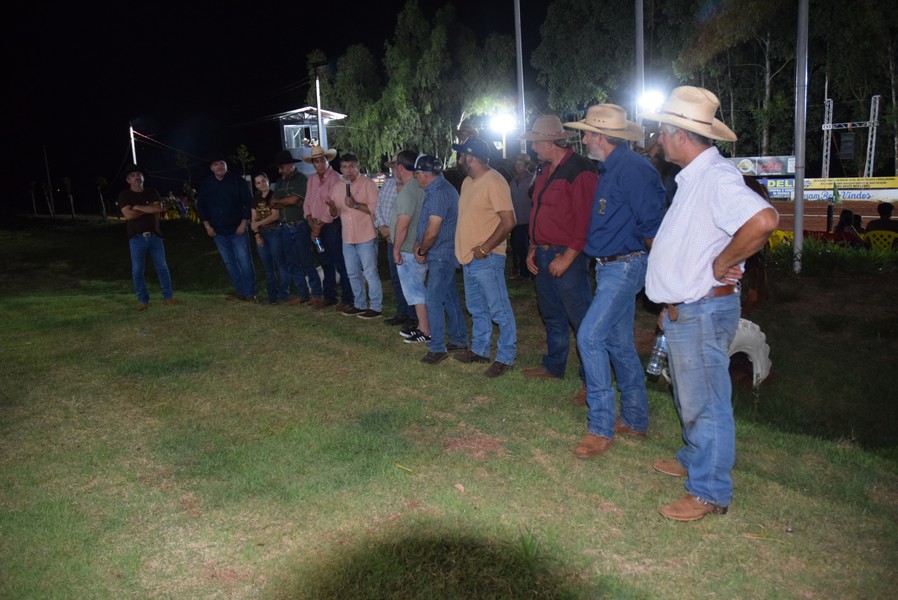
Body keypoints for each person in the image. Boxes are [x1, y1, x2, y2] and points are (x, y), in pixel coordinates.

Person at [639, 86, 778, 521]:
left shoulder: (716, 178)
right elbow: (691, 246)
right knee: (690, 393)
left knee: (706, 400)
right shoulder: (694, 178)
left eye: (663, 131)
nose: (659, 139)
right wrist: (672, 298)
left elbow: (763, 220)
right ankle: (695, 456)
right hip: (689, 307)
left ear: (681, 134)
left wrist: (724, 261)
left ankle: (709, 491)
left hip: (703, 308)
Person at [563, 104, 666, 459]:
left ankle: (600, 427)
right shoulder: (610, 168)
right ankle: (635, 419)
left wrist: (667, 283)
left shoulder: (633, 170)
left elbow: (653, 227)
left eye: (588, 133)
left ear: (601, 137)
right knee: (619, 343)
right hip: (609, 266)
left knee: (590, 336)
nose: (584, 138)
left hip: (625, 266)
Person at [518, 115, 597, 389]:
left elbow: (585, 219)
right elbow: (538, 211)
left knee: (581, 317)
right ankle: (554, 365)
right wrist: (532, 246)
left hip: (567, 256)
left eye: (535, 143)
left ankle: (592, 379)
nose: (532, 148)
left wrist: (568, 256)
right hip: (543, 252)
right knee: (551, 312)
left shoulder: (581, 169)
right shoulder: (543, 170)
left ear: (548, 142)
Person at [451, 136, 518, 377]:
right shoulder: (468, 182)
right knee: (476, 308)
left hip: (487, 258)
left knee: (499, 309)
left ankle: (506, 356)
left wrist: (486, 248)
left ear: (471, 157)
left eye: (462, 156)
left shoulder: (494, 181)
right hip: (469, 258)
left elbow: (509, 221)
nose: (459, 160)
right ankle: (480, 349)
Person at [413, 154, 469, 364]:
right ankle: (459, 338)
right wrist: (421, 244)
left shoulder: (439, 192)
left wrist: (422, 250)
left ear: (425, 174)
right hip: (440, 253)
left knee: (434, 300)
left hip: (441, 254)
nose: (415, 177)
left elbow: (434, 228)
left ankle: (437, 347)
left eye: (416, 173)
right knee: (449, 298)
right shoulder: (436, 190)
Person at [327, 153, 382, 319]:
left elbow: (375, 210)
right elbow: (335, 214)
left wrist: (356, 204)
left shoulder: (368, 184)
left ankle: (376, 307)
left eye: (351, 166)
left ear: (358, 167)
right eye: (344, 167)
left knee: (370, 273)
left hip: (366, 235)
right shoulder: (337, 187)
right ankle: (359, 304)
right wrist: (332, 210)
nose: (348, 170)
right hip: (348, 237)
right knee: (352, 273)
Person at [196, 154, 257, 302]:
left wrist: (244, 223)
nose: (219, 167)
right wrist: (207, 226)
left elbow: (248, 202)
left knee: (245, 262)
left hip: (238, 229)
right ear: (211, 168)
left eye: (222, 163)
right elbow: (201, 206)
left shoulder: (237, 181)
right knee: (230, 263)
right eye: (216, 164)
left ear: (226, 165)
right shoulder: (206, 184)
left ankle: (250, 294)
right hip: (218, 232)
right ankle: (240, 292)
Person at [117, 164, 178, 310]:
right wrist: (147, 208)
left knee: (162, 267)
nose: (136, 177)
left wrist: (136, 207)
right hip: (136, 238)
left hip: (155, 237)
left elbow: (158, 208)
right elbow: (128, 215)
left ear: (143, 177)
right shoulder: (124, 195)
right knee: (137, 270)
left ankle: (168, 297)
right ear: (128, 180)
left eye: (138, 174)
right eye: (132, 175)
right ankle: (143, 300)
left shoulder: (152, 192)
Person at [269, 150, 325, 307]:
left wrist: (283, 202)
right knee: (292, 262)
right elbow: (272, 202)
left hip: (300, 225)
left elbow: (294, 200)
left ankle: (316, 294)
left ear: (291, 165)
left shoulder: (301, 179)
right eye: (279, 168)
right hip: (285, 227)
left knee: (306, 260)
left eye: (282, 167)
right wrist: (286, 202)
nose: (280, 171)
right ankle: (303, 295)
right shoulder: (280, 183)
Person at [303, 145, 354, 310]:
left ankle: (348, 298)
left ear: (327, 160)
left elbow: (335, 205)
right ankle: (330, 296)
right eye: (316, 161)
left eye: (322, 160)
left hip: (331, 227)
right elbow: (308, 202)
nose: (320, 163)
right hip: (316, 226)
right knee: (324, 260)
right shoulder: (311, 179)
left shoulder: (336, 179)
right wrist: (311, 222)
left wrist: (319, 225)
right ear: (313, 164)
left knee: (339, 261)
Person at [389, 150, 430, 344]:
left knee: (415, 291)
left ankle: (425, 330)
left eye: (394, 166)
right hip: (416, 246)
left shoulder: (408, 190)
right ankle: (423, 327)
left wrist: (396, 250)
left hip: (408, 249)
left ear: (400, 167)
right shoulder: (417, 186)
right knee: (417, 289)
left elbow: (403, 224)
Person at [374, 154, 416, 327]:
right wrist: (383, 227)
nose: (394, 170)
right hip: (391, 238)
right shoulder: (388, 185)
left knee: (411, 279)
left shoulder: (414, 186)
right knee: (397, 278)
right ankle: (402, 313)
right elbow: (378, 208)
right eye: (392, 166)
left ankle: (414, 315)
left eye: (397, 166)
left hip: (407, 240)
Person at [250, 172, 289, 304]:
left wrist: (257, 224)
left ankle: (283, 295)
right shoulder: (255, 200)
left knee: (281, 265)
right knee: (268, 268)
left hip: (275, 231)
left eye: (263, 181)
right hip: (261, 234)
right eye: (258, 182)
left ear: (268, 181)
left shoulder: (275, 195)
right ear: (255, 185)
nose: (262, 184)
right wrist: (256, 234)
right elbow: (253, 218)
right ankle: (272, 296)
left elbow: (274, 216)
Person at [509, 152, 535, 280]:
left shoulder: (532, 180)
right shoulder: (513, 182)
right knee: (518, 248)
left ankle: (533, 273)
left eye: (520, 164)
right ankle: (523, 272)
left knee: (530, 248)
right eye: (516, 164)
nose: (517, 167)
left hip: (529, 220)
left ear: (527, 165)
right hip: (516, 221)